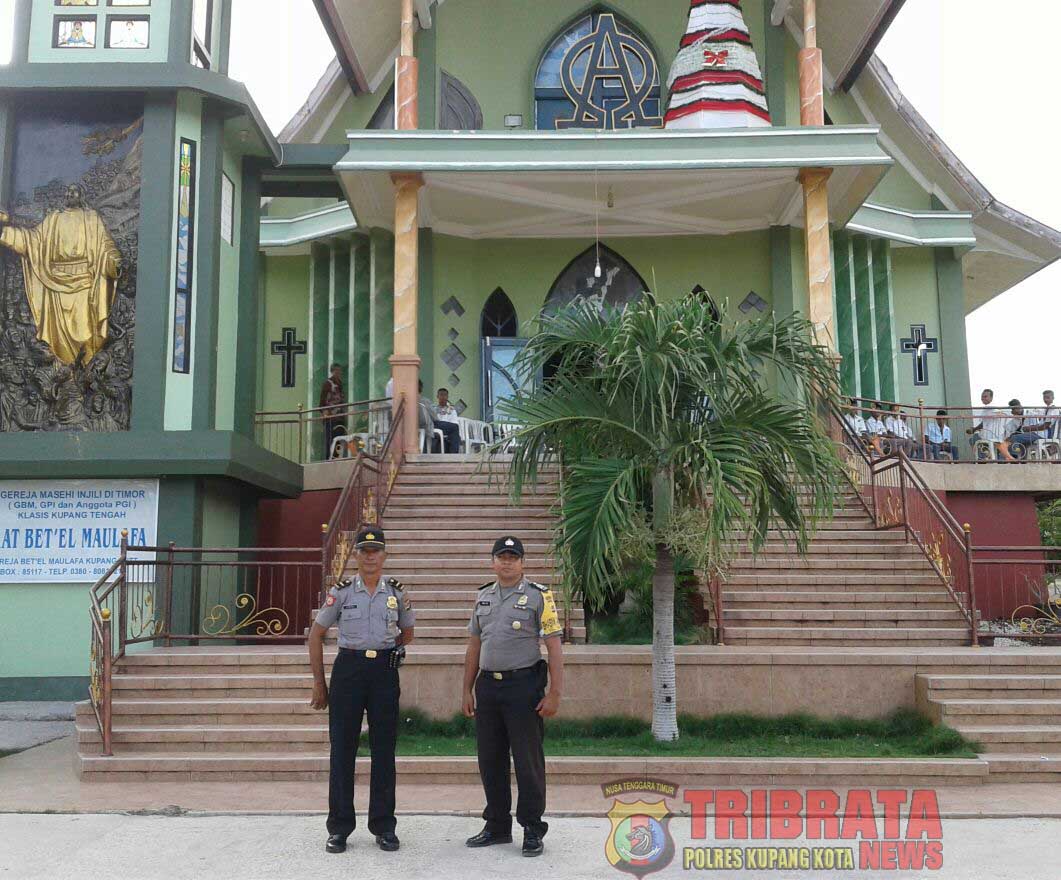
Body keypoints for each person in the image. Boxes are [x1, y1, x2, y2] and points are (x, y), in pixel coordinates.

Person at [309, 527, 415, 854]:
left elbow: (407, 632)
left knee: (384, 750)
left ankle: (384, 827)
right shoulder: (341, 593)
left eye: (376, 551)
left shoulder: (396, 592)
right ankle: (339, 828)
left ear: (384, 555)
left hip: (383, 672)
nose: (370, 556)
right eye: (364, 551)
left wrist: (384, 649)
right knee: (342, 750)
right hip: (348, 671)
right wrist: (319, 683)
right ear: (356, 555)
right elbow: (316, 634)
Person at [462, 536, 564, 858]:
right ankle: (496, 825)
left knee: (527, 761)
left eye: (513, 557)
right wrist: (466, 688)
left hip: (523, 687)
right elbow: (474, 645)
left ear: (522, 563)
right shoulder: (483, 597)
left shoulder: (539, 596)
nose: (506, 562)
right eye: (501, 557)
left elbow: (553, 645)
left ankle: (532, 828)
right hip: (488, 688)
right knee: (490, 759)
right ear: (493, 561)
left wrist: (555, 692)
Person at [419, 379, 460, 453]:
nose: (443, 397)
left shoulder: (452, 410)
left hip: (445, 432)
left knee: (454, 432)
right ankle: (454, 454)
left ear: (447, 397)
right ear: (437, 396)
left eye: (445, 395)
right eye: (441, 395)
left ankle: (452, 453)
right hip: (433, 427)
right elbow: (434, 418)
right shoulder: (432, 407)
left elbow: (454, 423)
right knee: (454, 429)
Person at [967, 388, 1006, 460]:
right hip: (998, 435)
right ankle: (987, 455)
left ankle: (981, 457)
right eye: (982, 396)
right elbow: (985, 423)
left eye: (985, 396)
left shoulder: (988, 408)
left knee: (972, 439)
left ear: (991, 398)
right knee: (979, 438)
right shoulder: (995, 408)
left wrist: (974, 429)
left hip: (989, 435)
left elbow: (983, 424)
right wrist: (975, 429)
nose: (982, 398)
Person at [319, 363, 346, 459]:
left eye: (339, 371)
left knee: (339, 439)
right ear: (332, 371)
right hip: (331, 417)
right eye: (336, 371)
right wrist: (325, 413)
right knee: (330, 439)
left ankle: (337, 457)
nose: (338, 373)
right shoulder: (328, 384)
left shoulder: (340, 384)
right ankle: (329, 458)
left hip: (340, 417)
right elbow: (322, 401)